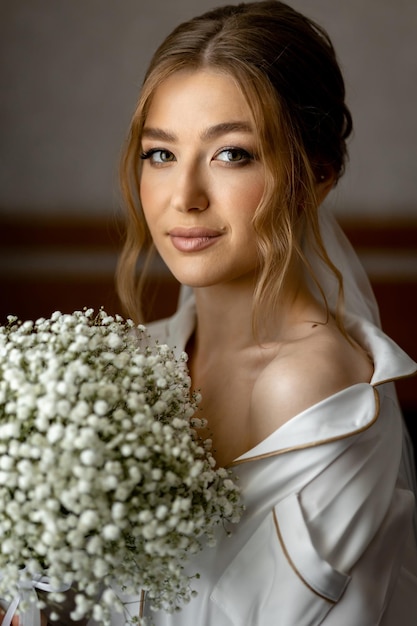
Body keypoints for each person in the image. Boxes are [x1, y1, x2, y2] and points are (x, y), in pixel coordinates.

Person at [113, 1, 417, 624]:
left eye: (233, 154)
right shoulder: (142, 359)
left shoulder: (308, 384)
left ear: (317, 176)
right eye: (161, 154)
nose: (185, 197)